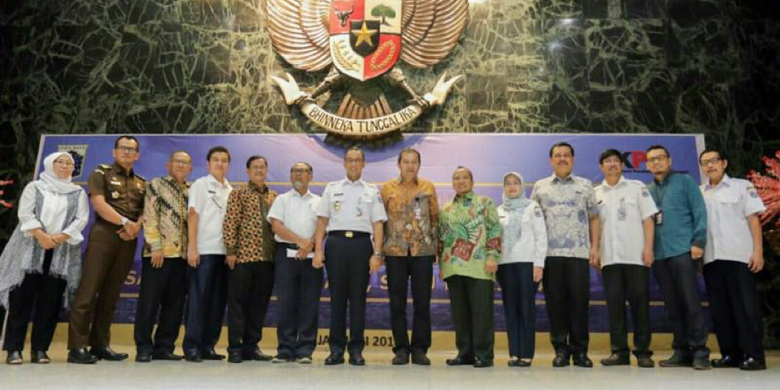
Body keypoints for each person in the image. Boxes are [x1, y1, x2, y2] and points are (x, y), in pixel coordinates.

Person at [0, 152, 88, 364]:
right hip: (31, 247)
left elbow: (81, 219)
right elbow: (25, 214)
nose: (65, 166)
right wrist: (41, 236)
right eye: (61, 162)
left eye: (69, 163)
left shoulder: (77, 192)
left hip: (60, 251)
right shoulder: (35, 187)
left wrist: (59, 237)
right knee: (21, 299)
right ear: (50, 164)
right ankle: (14, 349)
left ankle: (40, 349)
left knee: (50, 302)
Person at [68, 136, 146, 364]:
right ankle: (77, 348)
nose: (127, 152)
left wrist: (136, 227)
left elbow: (144, 210)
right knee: (88, 292)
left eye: (131, 149)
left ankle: (100, 344)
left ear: (137, 155)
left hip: (129, 238)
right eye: (123, 148)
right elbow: (99, 204)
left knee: (111, 294)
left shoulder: (142, 182)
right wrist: (125, 222)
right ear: (114, 152)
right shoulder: (101, 173)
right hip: (105, 235)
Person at [313, 146, 387, 366]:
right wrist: (318, 249)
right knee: (337, 299)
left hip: (361, 245)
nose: (353, 164)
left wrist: (377, 254)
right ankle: (335, 349)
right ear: (344, 163)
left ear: (364, 164)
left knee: (357, 299)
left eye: (357, 160)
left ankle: (356, 350)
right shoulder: (332, 188)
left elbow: (378, 224)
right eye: (350, 160)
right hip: (335, 244)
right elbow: (322, 221)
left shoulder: (371, 191)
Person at [530, 142, 600, 368]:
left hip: (579, 254)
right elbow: (533, 222)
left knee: (579, 304)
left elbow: (594, 218)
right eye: (558, 155)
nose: (562, 159)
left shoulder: (586, 185)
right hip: (550, 255)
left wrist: (595, 247)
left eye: (566, 155)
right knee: (555, 304)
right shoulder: (540, 187)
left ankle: (580, 351)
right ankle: (560, 349)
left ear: (573, 159)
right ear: (551, 160)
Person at [699, 149, 767, 370]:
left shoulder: (741, 186)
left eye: (714, 161)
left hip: (739, 256)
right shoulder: (700, 193)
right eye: (705, 163)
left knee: (745, 308)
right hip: (712, 258)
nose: (710, 166)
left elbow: (754, 220)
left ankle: (754, 355)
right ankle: (730, 354)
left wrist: (758, 251)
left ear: (724, 163)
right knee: (720, 309)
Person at [645, 144, 710, 370]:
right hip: (660, 256)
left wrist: (698, 241)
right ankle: (681, 350)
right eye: (652, 160)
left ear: (669, 161)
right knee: (672, 305)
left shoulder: (685, 182)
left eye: (660, 158)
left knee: (691, 302)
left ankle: (700, 351)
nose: (656, 162)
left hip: (683, 250)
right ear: (646, 165)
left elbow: (699, 212)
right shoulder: (647, 191)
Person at [594, 149, 657, 368]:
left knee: (640, 305)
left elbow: (648, 220)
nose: (611, 165)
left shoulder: (637, 187)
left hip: (636, 257)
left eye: (615, 161)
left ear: (622, 165)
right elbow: (593, 227)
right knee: (615, 307)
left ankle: (643, 352)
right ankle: (619, 352)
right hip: (609, 259)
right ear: (601, 167)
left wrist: (649, 248)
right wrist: (594, 251)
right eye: (607, 161)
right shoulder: (595, 194)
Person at [439, 166, 501, 368]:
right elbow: (442, 238)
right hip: (453, 268)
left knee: (481, 313)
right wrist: (442, 264)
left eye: (465, 177)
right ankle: (464, 353)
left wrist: (492, 256)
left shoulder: (484, 203)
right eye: (456, 178)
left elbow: (494, 230)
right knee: (460, 314)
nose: (460, 181)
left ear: (472, 182)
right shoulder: (445, 208)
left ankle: (484, 355)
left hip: (480, 266)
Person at [380, 148, 438, 366]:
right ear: (399, 164)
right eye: (406, 162)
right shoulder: (387, 189)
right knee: (397, 303)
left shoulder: (427, 187)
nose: (410, 166)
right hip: (395, 252)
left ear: (419, 165)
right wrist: (379, 250)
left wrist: (436, 250)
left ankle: (420, 349)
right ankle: (401, 349)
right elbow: (380, 221)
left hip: (422, 252)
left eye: (414, 162)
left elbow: (434, 220)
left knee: (422, 303)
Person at [133, 151, 192, 362]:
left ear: (190, 168)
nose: (181, 165)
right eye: (177, 161)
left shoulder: (192, 190)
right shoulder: (155, 185)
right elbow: (149, 216)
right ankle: (143, 347)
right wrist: (155, 246)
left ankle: (165, 347)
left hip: (182, 257)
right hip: (158, 254)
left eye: (185, 163)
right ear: (169, 165)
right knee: (149, 302)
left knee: (175, 304)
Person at [222, 156, 277, 363]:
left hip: (267, 259)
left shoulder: (274, 196)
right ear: (247, 171)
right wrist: (230, 251)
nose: (259, 170)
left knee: (259, 305)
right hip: (243, 258)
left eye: (262, 167)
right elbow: (230, 222)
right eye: (255, 167)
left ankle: (251, 346)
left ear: (267, 169)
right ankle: (235, 347)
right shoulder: (238, 193)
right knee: (237, 304)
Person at [267, 162, 322, 364]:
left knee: (309, 304)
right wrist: (301, 242)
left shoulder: (319, 201)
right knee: (286, 302)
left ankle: (305, 349)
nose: (299, 174)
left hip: (312, 256)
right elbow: (276, 226)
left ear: (311, 175)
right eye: (295, 171)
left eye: (303, 171)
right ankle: (285, 349)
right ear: (290, 176)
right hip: (285, 255)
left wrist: (310, 246)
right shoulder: (281, 200)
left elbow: (322, 228)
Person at [183, 146, 233, 362]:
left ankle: (208, 346)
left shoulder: (230, 189)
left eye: (224, 160)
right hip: (203, 251)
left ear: (228, 164)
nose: (220, 163)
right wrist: (192, 248)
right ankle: (192, 346)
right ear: (208, 163)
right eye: (216, 160)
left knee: (217, 303)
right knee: (198, 300)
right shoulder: (201, 185)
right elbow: (193, 216)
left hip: (224, 254)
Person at [497, 172, 547, 367]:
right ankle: (514, 353)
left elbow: (541, 237)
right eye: (508, 183)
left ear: (522, 185)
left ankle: (526, 353)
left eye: (516, 183)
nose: (512, 187)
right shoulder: (499, 210)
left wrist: (539, 264)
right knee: (510, 309)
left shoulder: (532, 207)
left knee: (526, 308)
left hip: (527, 264)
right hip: (505, 266)